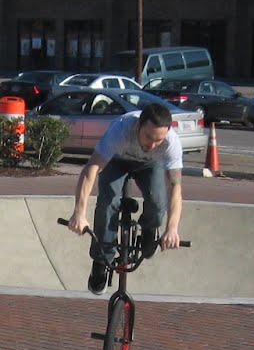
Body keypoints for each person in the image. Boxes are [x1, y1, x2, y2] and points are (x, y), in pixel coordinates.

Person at [66, 101, 184, 293]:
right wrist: (79, 213)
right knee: (108, 201)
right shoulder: (121, 129)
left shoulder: (172, 144)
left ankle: (148, 230)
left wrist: (172, 229)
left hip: (149, 166)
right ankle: (101, 260)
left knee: (157, 201)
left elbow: (175, 189)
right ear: (138, 125)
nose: (152, 144)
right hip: (116, 161)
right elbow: (92, 168)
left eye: (158, 140)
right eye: (148, 137)